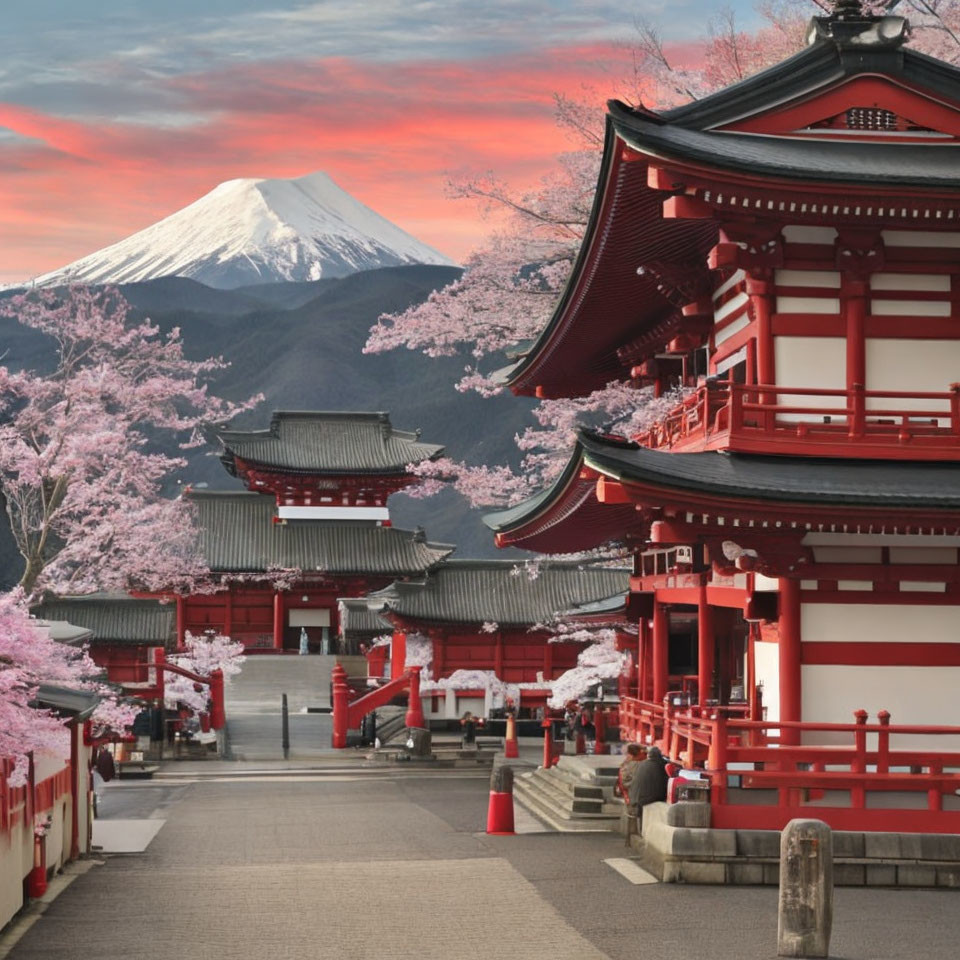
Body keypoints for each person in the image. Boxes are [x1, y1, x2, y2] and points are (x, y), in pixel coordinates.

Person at [627, 745, 669, 836]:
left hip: (635, 799)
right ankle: (644, 834)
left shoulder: (642, 764)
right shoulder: (661, 766)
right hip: (647, 800)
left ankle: (642, 833)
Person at [618, 743, 643, 847]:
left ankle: (629, 840)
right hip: (633, 793)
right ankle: (631, 839)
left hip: (627, 793)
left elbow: (623, 780)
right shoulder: (636, 765)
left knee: (630, 815)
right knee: (633, 815)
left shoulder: (625, 764)